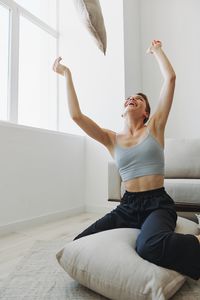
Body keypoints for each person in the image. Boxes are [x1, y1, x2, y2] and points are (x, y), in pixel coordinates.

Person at [53, 40, 200, 280]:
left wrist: (157, 50)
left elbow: (170, 79)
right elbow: (76, 115)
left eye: (139, 99)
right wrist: (67, 74)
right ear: (123, 110)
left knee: (149, 246)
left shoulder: (155, 127)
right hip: (128, 206)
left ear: (146, 112)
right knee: (79, 243)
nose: (132, 99)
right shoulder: (111, 139)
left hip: (158, 204)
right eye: (129, 98)